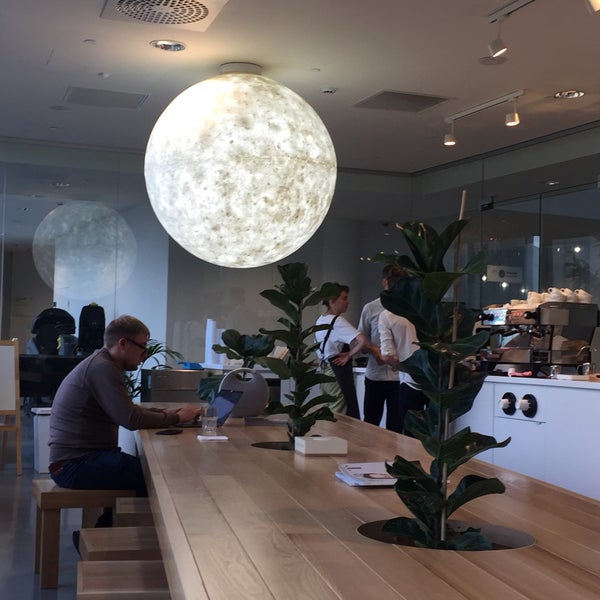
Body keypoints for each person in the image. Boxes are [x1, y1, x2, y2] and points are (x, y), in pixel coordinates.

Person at [48, 315, 203, 503]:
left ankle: (109, 521)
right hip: (74, 465)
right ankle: (116, 522)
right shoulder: (102, 368)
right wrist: (176, 418)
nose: (145, 355)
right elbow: (131, 418)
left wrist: (169, 413)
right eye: (142, 347)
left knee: (151, 471)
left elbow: (128, 409)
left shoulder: (102, 363)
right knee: (160, 475)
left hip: (81, 460)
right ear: (123, 343)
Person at [358, 265, 406, 432]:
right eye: (393, 281)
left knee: (396, 426)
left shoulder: (408, 309)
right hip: (375, 376)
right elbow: (360, 342)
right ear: (384, 281)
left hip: (399, 378)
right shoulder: (370, 308)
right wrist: (374, 350)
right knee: (370, 423)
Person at [315, 284, 370, 418]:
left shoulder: (321, 319)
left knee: (327, 411)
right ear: (332, 301)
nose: (348, 302)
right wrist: (349, 355)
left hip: (323, 370)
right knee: (338, 414)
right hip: (335, 373)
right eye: (344, 298)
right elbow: (362, 340)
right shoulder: (337, 321)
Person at [378, 301, 429, 434]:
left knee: (411, 432)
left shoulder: (387, 315)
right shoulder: (427, 308)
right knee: (435, 430)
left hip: (410, 379)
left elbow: (386, 355)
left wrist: (399, 366)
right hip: (435, 378)